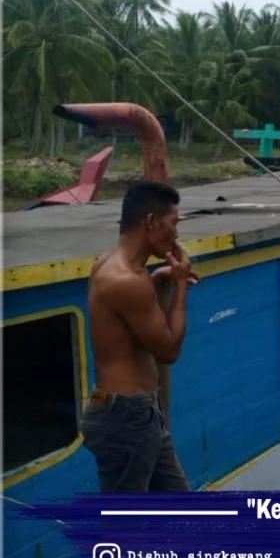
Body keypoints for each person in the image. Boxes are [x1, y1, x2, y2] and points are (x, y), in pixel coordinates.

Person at [83, 181, 195, 492]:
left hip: (139, 411)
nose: (176, 235)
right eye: (173, 224)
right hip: (126, 416)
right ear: (151, 221)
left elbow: (131, 325)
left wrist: (158, 280)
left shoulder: (107, 264)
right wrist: (181, 286)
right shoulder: (127, 281)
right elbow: (169, 351)